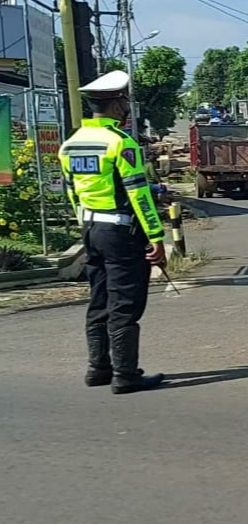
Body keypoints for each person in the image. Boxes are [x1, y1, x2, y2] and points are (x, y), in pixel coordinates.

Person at [58, 70, 168, 395]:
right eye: (124, 101)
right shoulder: (120, 143)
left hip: (91, 230)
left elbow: (72, 193)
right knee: (124, 303)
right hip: (120, 232)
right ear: (117, 104)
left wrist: (86, 224)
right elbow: (138, 194)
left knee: (99, 299)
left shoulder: (71, 144)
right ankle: (125, 375)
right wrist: (156, 237)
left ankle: (98, 368)